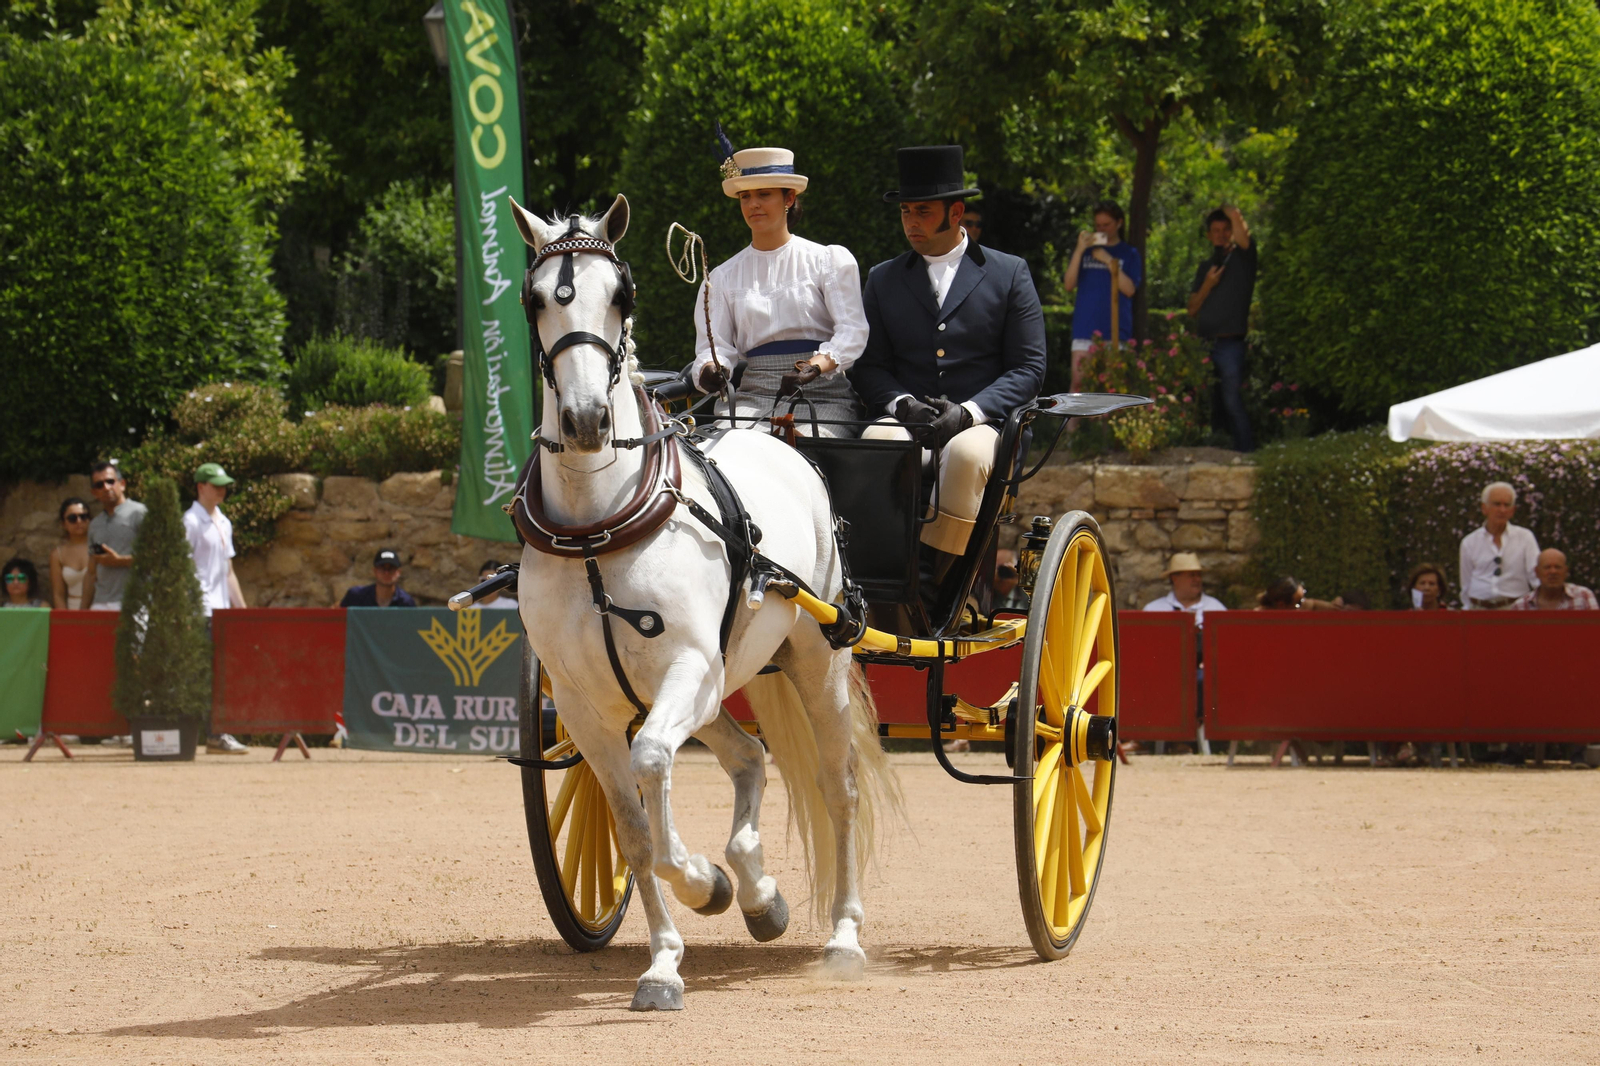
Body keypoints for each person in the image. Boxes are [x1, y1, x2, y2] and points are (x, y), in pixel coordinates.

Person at [852, 145, 1047, 589]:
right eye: (905, 211)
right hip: (909, 419)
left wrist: (969, 413)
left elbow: (1030, 368)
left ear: (956, 211)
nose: (911, 221)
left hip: (987, 423)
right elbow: (868, 365)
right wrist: (901, 405)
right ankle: (879, 571)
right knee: (877, 440)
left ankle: (937, 577)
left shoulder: (1009, 273)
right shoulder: (883, 278)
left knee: (965, 453)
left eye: (923, 211)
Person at [692, 144, 867, 434]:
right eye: (745, 196)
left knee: (800, 445)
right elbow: (716, 348)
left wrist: (812, 367)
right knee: (733, 453)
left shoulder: (827, 260)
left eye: (764, 194)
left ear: (789, 198)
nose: (753, 205)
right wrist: (713, 369)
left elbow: (852, 331)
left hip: (822, 394)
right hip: (752, 397)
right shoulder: (722, 277)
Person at [1187, 206, 1257, 452]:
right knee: (1213, 403)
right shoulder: (1205, 267)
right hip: (1205, 342)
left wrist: (1235, 215)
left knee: (1232, 400)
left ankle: (1247, 453)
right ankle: (1220, 451)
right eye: (1215, 230)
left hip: (1230, 344)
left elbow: (1245, 239)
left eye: (1225, 230)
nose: (1221, 235)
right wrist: (1208, 284)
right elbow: (1192, 309)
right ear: (1208, 235)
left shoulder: (1244, 259)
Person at [1062, 200, 1142, 393]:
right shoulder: (1087, 251)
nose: (1102, 229)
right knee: (1079, 385)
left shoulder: (1129, 253)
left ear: (1119, 223)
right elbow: (1069, 284)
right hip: (1085, 328)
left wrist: (1108, 260)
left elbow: (1130, 289)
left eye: (1107, 225)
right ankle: (1075, 424)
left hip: (1114, 330)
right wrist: (1080, 249)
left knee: (1111, 389)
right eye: (1098, 225)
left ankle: (1104, 424)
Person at [182, 463, 247, 619]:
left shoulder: (224, 523)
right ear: (201, 487)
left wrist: (243, 611)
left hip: (222, 610)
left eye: (224, 486)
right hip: (199, 611)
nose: (221, 490)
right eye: (216, 486)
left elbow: (228, 572)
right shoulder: (190, 522)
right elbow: (181, 569)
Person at [1459, 482, 1538, 609]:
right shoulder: (1469, 542)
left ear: (1512, 510)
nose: (1502, 510)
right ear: (1484, 508)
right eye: (1497, 504)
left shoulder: (1525, 538)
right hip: (1478, 611)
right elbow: (1466, 583)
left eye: (1507, 505)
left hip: (1515, 609)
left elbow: (1536, 576)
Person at [85, 460, 146, 611]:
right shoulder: (95, 524)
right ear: (94, 492)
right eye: (99, 485)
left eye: (110, 481)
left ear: (122, 484)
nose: (106, 487)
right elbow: (91, 572)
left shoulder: (140, 513)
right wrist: (83, 609)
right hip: (100, 602)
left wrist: (120, 561)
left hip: (133, 601)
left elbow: (157, 558)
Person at [1142, 552, 1225, 624]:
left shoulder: (1216, 608)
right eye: (1192, 575)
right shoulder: (1154, 610)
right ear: (1175, 579)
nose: (1197, 579)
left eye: (1199, 575)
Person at [1513, 549, 1597, 611]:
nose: (1553, 572)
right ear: (1537, 572)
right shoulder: (1521, 606)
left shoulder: (1583, 597)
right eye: (1547, 567)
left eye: (1558, 567)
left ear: (1566, 572)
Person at [50, 497, 93, 609]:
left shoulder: (98, 548)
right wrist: (65, 620)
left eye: (83, 517)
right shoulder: (58, 554)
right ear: (64, 524)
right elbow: (58, 594)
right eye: (72, 518)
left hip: (98, 607)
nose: (79, 521)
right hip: (72, 608)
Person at [340, 549, 418, 607]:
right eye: (382, 568)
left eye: (391, 568)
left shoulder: (406, 603)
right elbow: (339, 622)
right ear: (375, 571)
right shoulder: (356, 597)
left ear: (399, 572)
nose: (386, 573)